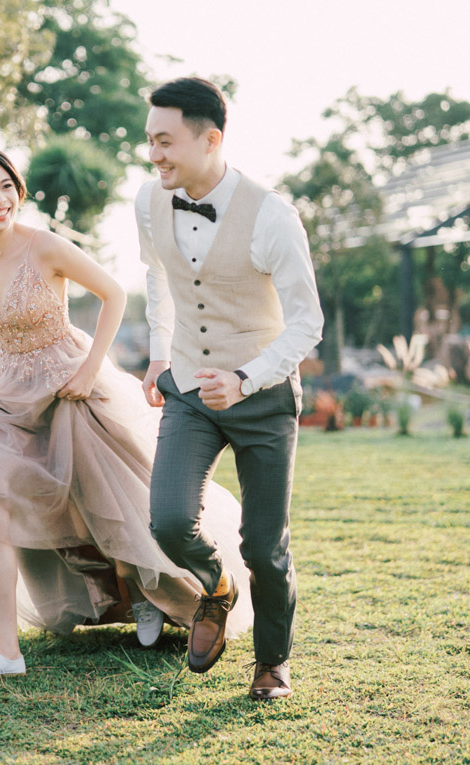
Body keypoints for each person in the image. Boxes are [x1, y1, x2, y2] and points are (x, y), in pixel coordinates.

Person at [0, 146, 252, 682]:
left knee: (105, 500)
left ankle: (146, 592)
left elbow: (113, 294)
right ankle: (6, 651)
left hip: (70, 382)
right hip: (6, 392)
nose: (0, 199)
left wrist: (89, 370)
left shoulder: (44, 246)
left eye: (6, 186)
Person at [137, 77, 323, 701]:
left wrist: (246, 379)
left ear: (210, 139)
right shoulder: (149, 201)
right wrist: (160, 354)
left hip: (263, 397)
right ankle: (216, 586)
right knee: (168, 521)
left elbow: (307, 322)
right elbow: (157, 277)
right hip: (189, 388)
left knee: (265, 545)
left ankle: (272, 662)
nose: (154, 154)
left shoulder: (272, 215)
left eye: (165, 142)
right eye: (150, 141)